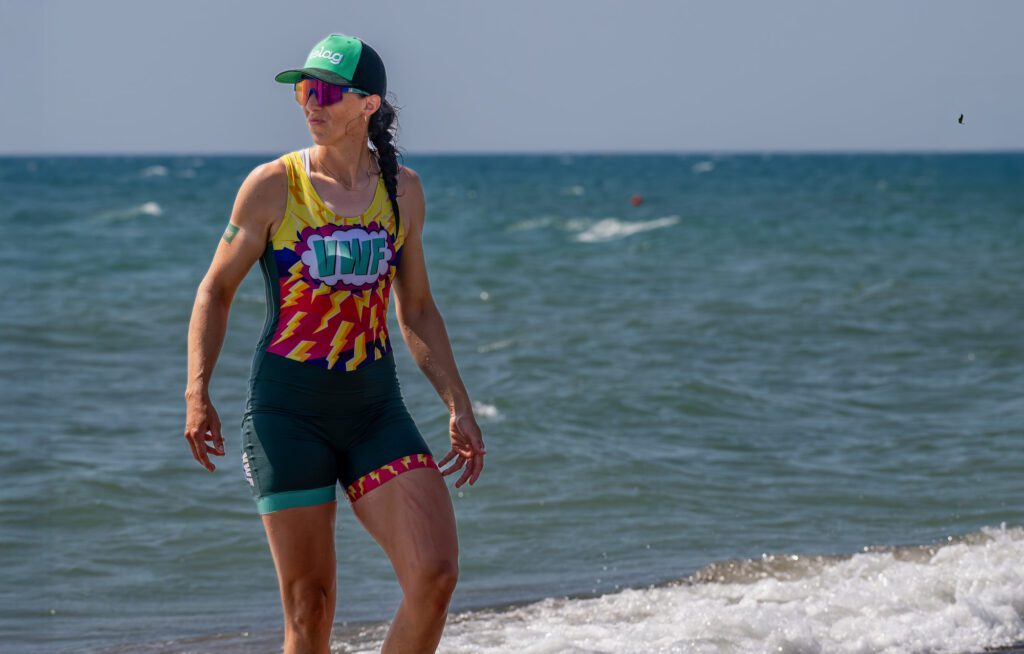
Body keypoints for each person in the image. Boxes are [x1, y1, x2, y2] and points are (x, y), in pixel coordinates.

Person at [183, 33, 487, 654]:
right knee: (311, 608)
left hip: (375, 410)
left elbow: (417, 309)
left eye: (325, 92)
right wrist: (197, 390)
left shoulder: (403, 192)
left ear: (368, 104)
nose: (309, 103)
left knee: (435, 576)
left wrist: (458, 402)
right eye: (303, 90)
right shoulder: (274, 185)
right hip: (287, 413)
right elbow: (215, 289)